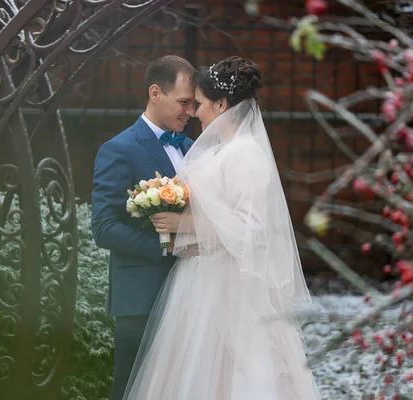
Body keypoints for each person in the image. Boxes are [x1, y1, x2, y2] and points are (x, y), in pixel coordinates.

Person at [124, 57, 321, 399]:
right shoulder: (219, 151)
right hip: (197, 281)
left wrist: (184, 224)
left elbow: (254, 229)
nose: (195, 113)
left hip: (229, 285)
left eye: (199, 104)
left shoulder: (245, 154)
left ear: (220, 104)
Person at [91, 55, 196, 400]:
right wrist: (166, 247)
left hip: (192, 293)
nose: (190, 112)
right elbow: (104, 227)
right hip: (141, 297)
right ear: (155, 93)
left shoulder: (194, 150)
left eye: (194, 104)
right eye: (183, 102)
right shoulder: (118, 149)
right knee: (131, 390)